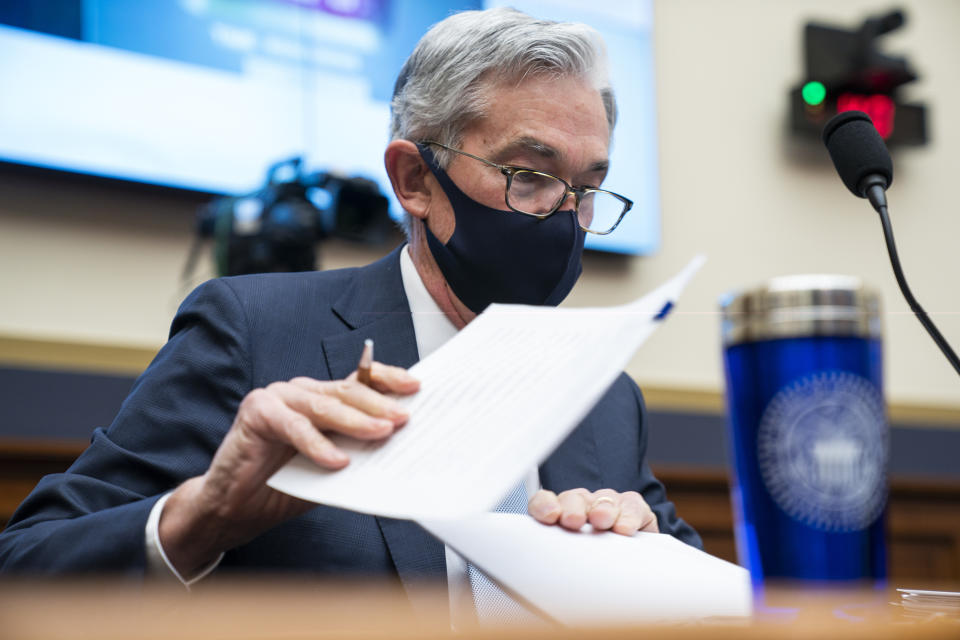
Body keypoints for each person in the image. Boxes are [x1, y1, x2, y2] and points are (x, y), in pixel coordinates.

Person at [0, 6, 699, 619]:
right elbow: (25, 571)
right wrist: (203, 515)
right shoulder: (253, 334)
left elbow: (719, 608)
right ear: (416, 180)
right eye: (532, 177)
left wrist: (642, 570)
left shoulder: (605, 395)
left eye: (587, 190)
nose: (563, 216)